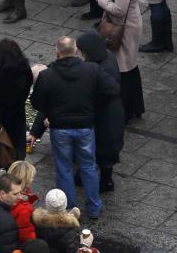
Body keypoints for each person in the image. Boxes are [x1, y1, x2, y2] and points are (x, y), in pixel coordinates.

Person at [29, 37, 117, 219]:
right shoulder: (92, 69)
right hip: (85, 127)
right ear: (76, 51)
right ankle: (94, 207)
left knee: (64, 168)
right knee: (89, 166)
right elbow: (112, 89)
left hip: (60, 129)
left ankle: (70, 209)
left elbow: (37, 102)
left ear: (57, 52)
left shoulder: (47, 75)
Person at [97, 0, 145, 121]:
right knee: (129, 66)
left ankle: (124, 111)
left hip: (124, 26)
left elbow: (119, 9)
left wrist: (102, 0)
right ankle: (134, 107)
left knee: (124, 68)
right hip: (128, 22)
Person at [76, 31, 125, 193]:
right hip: (110, 113)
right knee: (104, 150)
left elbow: (103, 92)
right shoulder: (108, 57)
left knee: (102, 150)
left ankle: (105, 181)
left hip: (104, 117)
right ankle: (102, 179)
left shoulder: (100, 69)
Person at [0, 39, 34, 160]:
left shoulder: (2, 77)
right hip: (18, 114)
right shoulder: (25, 69)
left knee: (6, 147)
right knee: (18, 145)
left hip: (4, 117)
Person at [30, 189, 82, 253]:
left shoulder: (37, 222)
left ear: (46, 204)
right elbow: (73, 249)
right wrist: (84, 244)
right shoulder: (69, 231)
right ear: (65, 204)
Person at [6, 160, 39, 243]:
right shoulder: (23, 209)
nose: (33, 179)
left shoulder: (1, 190)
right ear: (25, 180)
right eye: (31, 177)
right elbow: (26, 236)